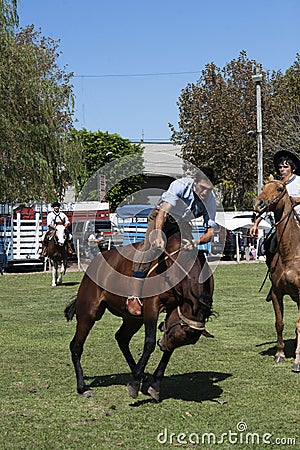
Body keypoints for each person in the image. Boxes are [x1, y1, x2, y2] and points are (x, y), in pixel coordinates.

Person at [126, 167, 217, 315]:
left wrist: (195, 242)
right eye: (202, 188)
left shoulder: (210, 201)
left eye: (209, 189)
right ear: (195, 182)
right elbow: (163, 212)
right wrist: (157, 235)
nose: (205, 193)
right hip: (162, 218)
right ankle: (134, 296)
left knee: (190, 254)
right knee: (148, 248)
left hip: (183, 224)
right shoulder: (180, 186)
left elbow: (210, 233)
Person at [250, 149, 300, 301]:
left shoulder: (299, 181)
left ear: (292, 168)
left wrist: (294, 199)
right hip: (280, 223)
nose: (282, 170)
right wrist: (256, 223)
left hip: (298, 219)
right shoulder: (275, 185)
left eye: (285, 167)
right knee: (267, 245)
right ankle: (275, 279)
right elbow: (267, 205)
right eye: (280, 167)